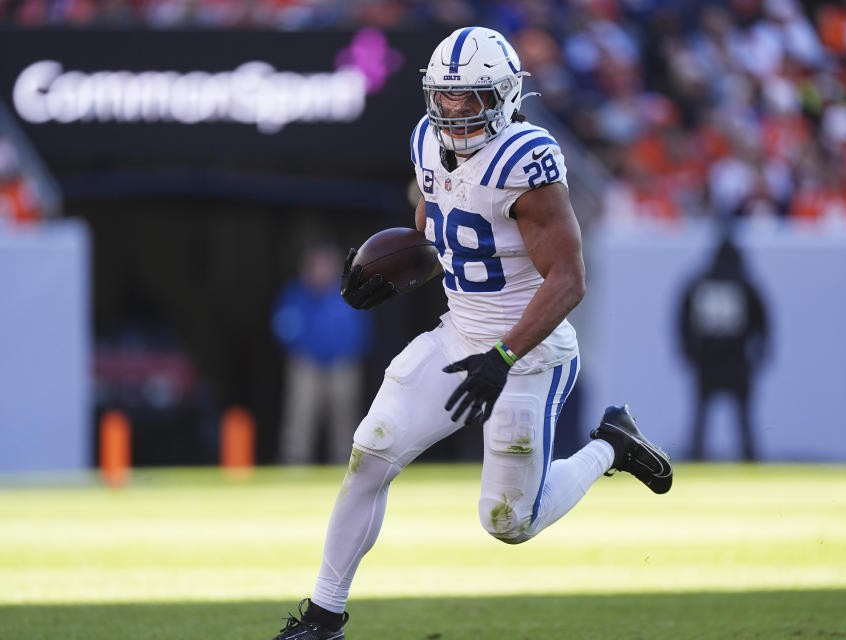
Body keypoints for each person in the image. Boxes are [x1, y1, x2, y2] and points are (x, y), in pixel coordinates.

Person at [268, 27, 673, 640]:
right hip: (460, 335)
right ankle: (324, 618)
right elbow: (444, 240)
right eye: (445, 96)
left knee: (509, 522)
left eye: (471, 97)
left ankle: (610, 445)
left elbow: (568, 279)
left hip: (528, 351)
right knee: (370, 451)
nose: (454, 111)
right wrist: (388, 276)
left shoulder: (526, 160)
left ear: (506, 95)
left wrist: (504, 355)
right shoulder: (426, 142)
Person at [272, 241, 372, 465]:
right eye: (315, 265)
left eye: (324, 265)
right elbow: (282, 328)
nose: (319, 270)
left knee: (345, 419)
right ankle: (294, 465)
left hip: (342, 364)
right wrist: (304, 350)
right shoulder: (295, 293)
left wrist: (345, 353)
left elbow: (362, 331)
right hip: (306, 364)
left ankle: (346, 467)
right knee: (300, 417)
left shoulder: (348, 291)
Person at [678, 236, 769, 462]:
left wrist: (688, 350)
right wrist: (760, 351)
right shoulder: (745, 284)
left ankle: (697, 456)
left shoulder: (699, 283)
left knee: (701, 415)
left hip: (707, 359)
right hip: (736, 358)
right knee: (743, 417)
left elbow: (682, 318)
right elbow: (763, 320)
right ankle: (749, 457)